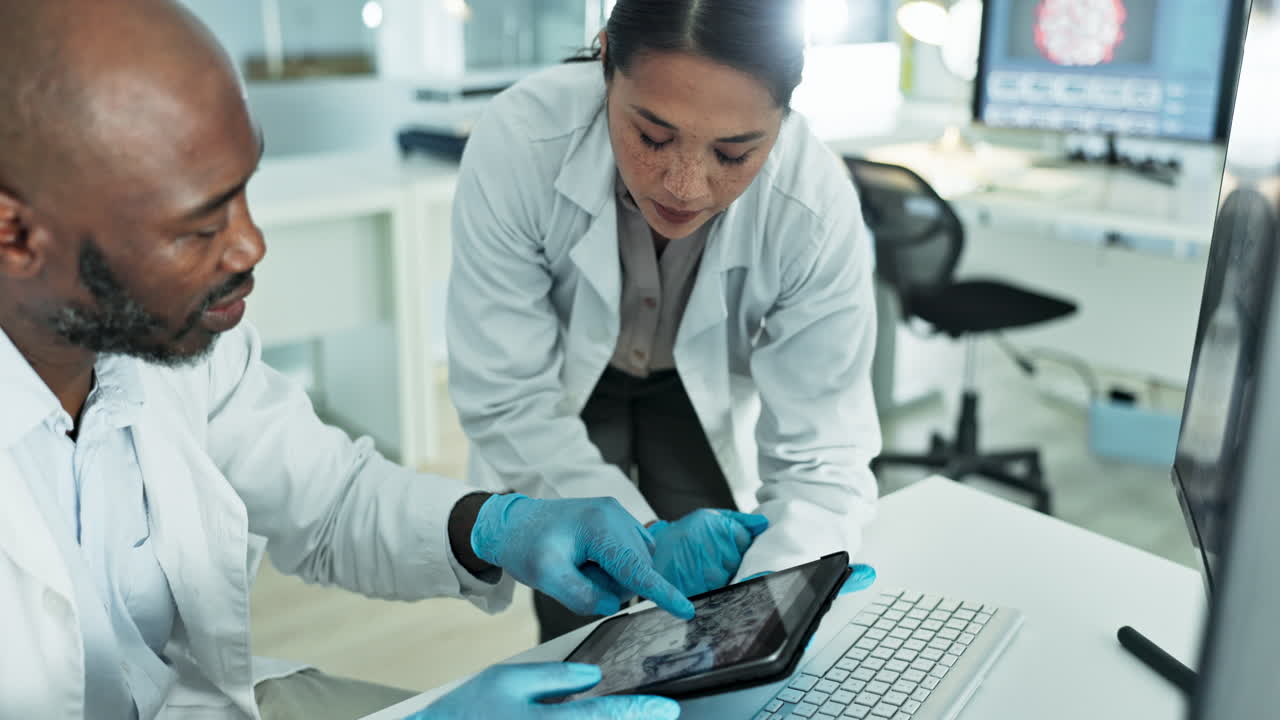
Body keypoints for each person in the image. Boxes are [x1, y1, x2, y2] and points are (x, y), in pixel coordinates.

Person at [0, 1, 699, 718]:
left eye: (244, 191)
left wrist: (496, 525)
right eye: (201, 224)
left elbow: (327, 500)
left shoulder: (165, 349)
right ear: (16, 234)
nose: (250, 247)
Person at [447, 0, 883, 641]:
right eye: (652, 137)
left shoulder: (812, 205)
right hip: (567, 377)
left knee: (715, 607)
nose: (685, 185)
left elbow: (822, 456)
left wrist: (778, 600)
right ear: (605, 62)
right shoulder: (522, 139)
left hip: (689, 381)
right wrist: (639, 539)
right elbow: (509, 395)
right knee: (583, 601)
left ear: (783, 117)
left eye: (734, 153)